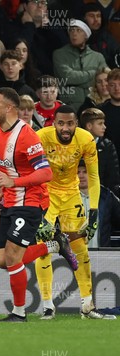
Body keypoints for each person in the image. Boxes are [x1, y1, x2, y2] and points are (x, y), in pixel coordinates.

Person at [35, 105, 116, 320]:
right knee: (42, 247)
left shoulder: (86, 139)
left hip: (71, 194)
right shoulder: (40, 137)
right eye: (60, 123)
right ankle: (47, 306)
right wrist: (37, 206)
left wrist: (94, 211)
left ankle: (87, 305)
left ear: (76, 124)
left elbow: (94, 177)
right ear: (53, 123)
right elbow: (29, 172)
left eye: (70, 123)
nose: (65, 128)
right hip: (47, 194)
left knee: (80, 248)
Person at [0, 87, 54, 322]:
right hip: (10, 198)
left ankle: (19, 312)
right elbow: (10, 167)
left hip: (30, 201)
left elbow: (46, 173)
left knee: (13, 257)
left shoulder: (27, 136)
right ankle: (53, 245)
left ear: (9, 108)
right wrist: (2, 188)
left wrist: (12, 182)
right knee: (2, 261)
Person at [53, 19, 107, 111]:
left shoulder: (97, 57)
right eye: (71, 30)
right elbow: (68, 77)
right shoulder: (59, 54)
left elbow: (105, 79)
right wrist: (93, 74)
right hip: (70, 107)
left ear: (86, 35)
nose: (74, 33)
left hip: (95, 106)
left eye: (78, 30)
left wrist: (77, 82)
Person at [78, 160, 120, 248]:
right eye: (77, 172)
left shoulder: (106, 196)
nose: (81, 175)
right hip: (74, 257)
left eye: (85, 172)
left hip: (102, 256)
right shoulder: (65, 197)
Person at [80, 108, 120, 196]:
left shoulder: (107, 146)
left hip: (103, 195)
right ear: (89, 126)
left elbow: (113, 177)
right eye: (100, 124)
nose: (104, 127)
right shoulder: (75, 145)